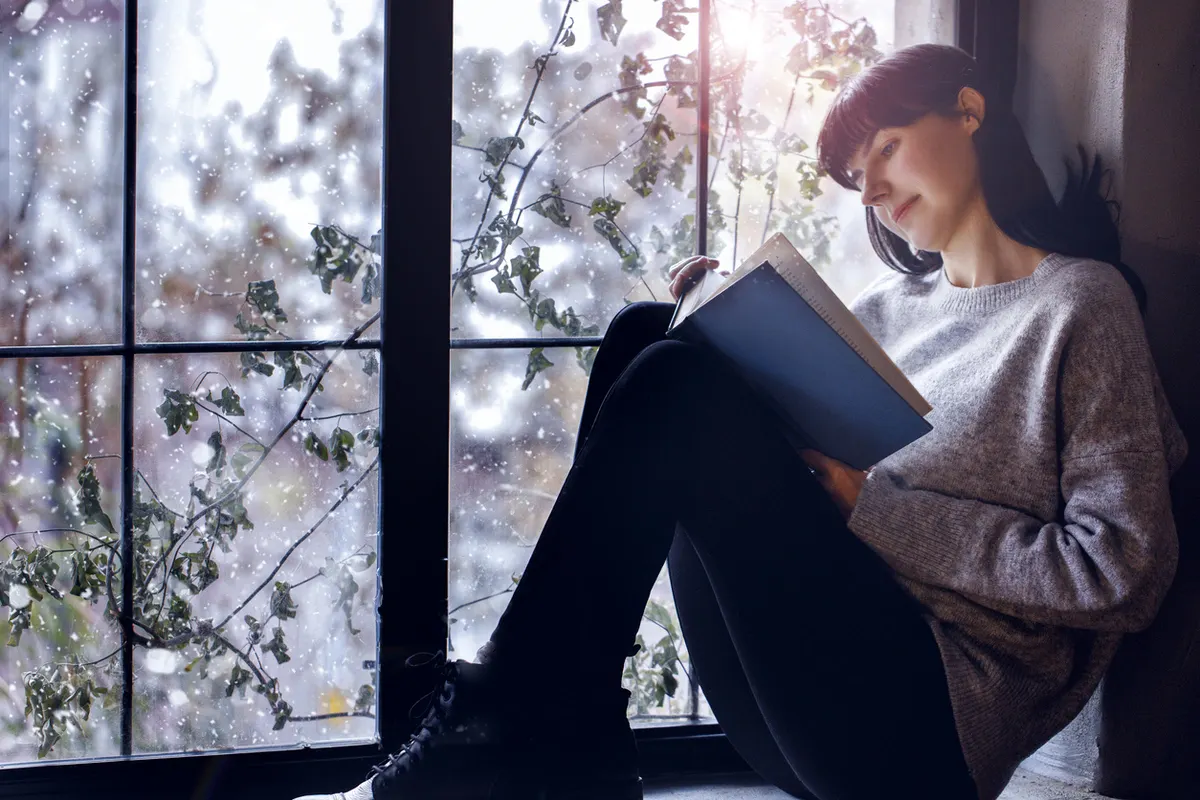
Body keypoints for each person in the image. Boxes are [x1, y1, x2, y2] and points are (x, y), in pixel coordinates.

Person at [294, 42, 1188, 800]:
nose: (870, 186)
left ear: (967, 111)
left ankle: (506, 737)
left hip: (924, 736)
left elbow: (1125, 571)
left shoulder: (1080, 306)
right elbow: (781, 494)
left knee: (683, 384)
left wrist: (870, 504)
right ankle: (561, 722)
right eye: (854, 177)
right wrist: (719, 322)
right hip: (794, 708)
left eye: (886, 146)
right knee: (653, 333)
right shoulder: (881, 314)